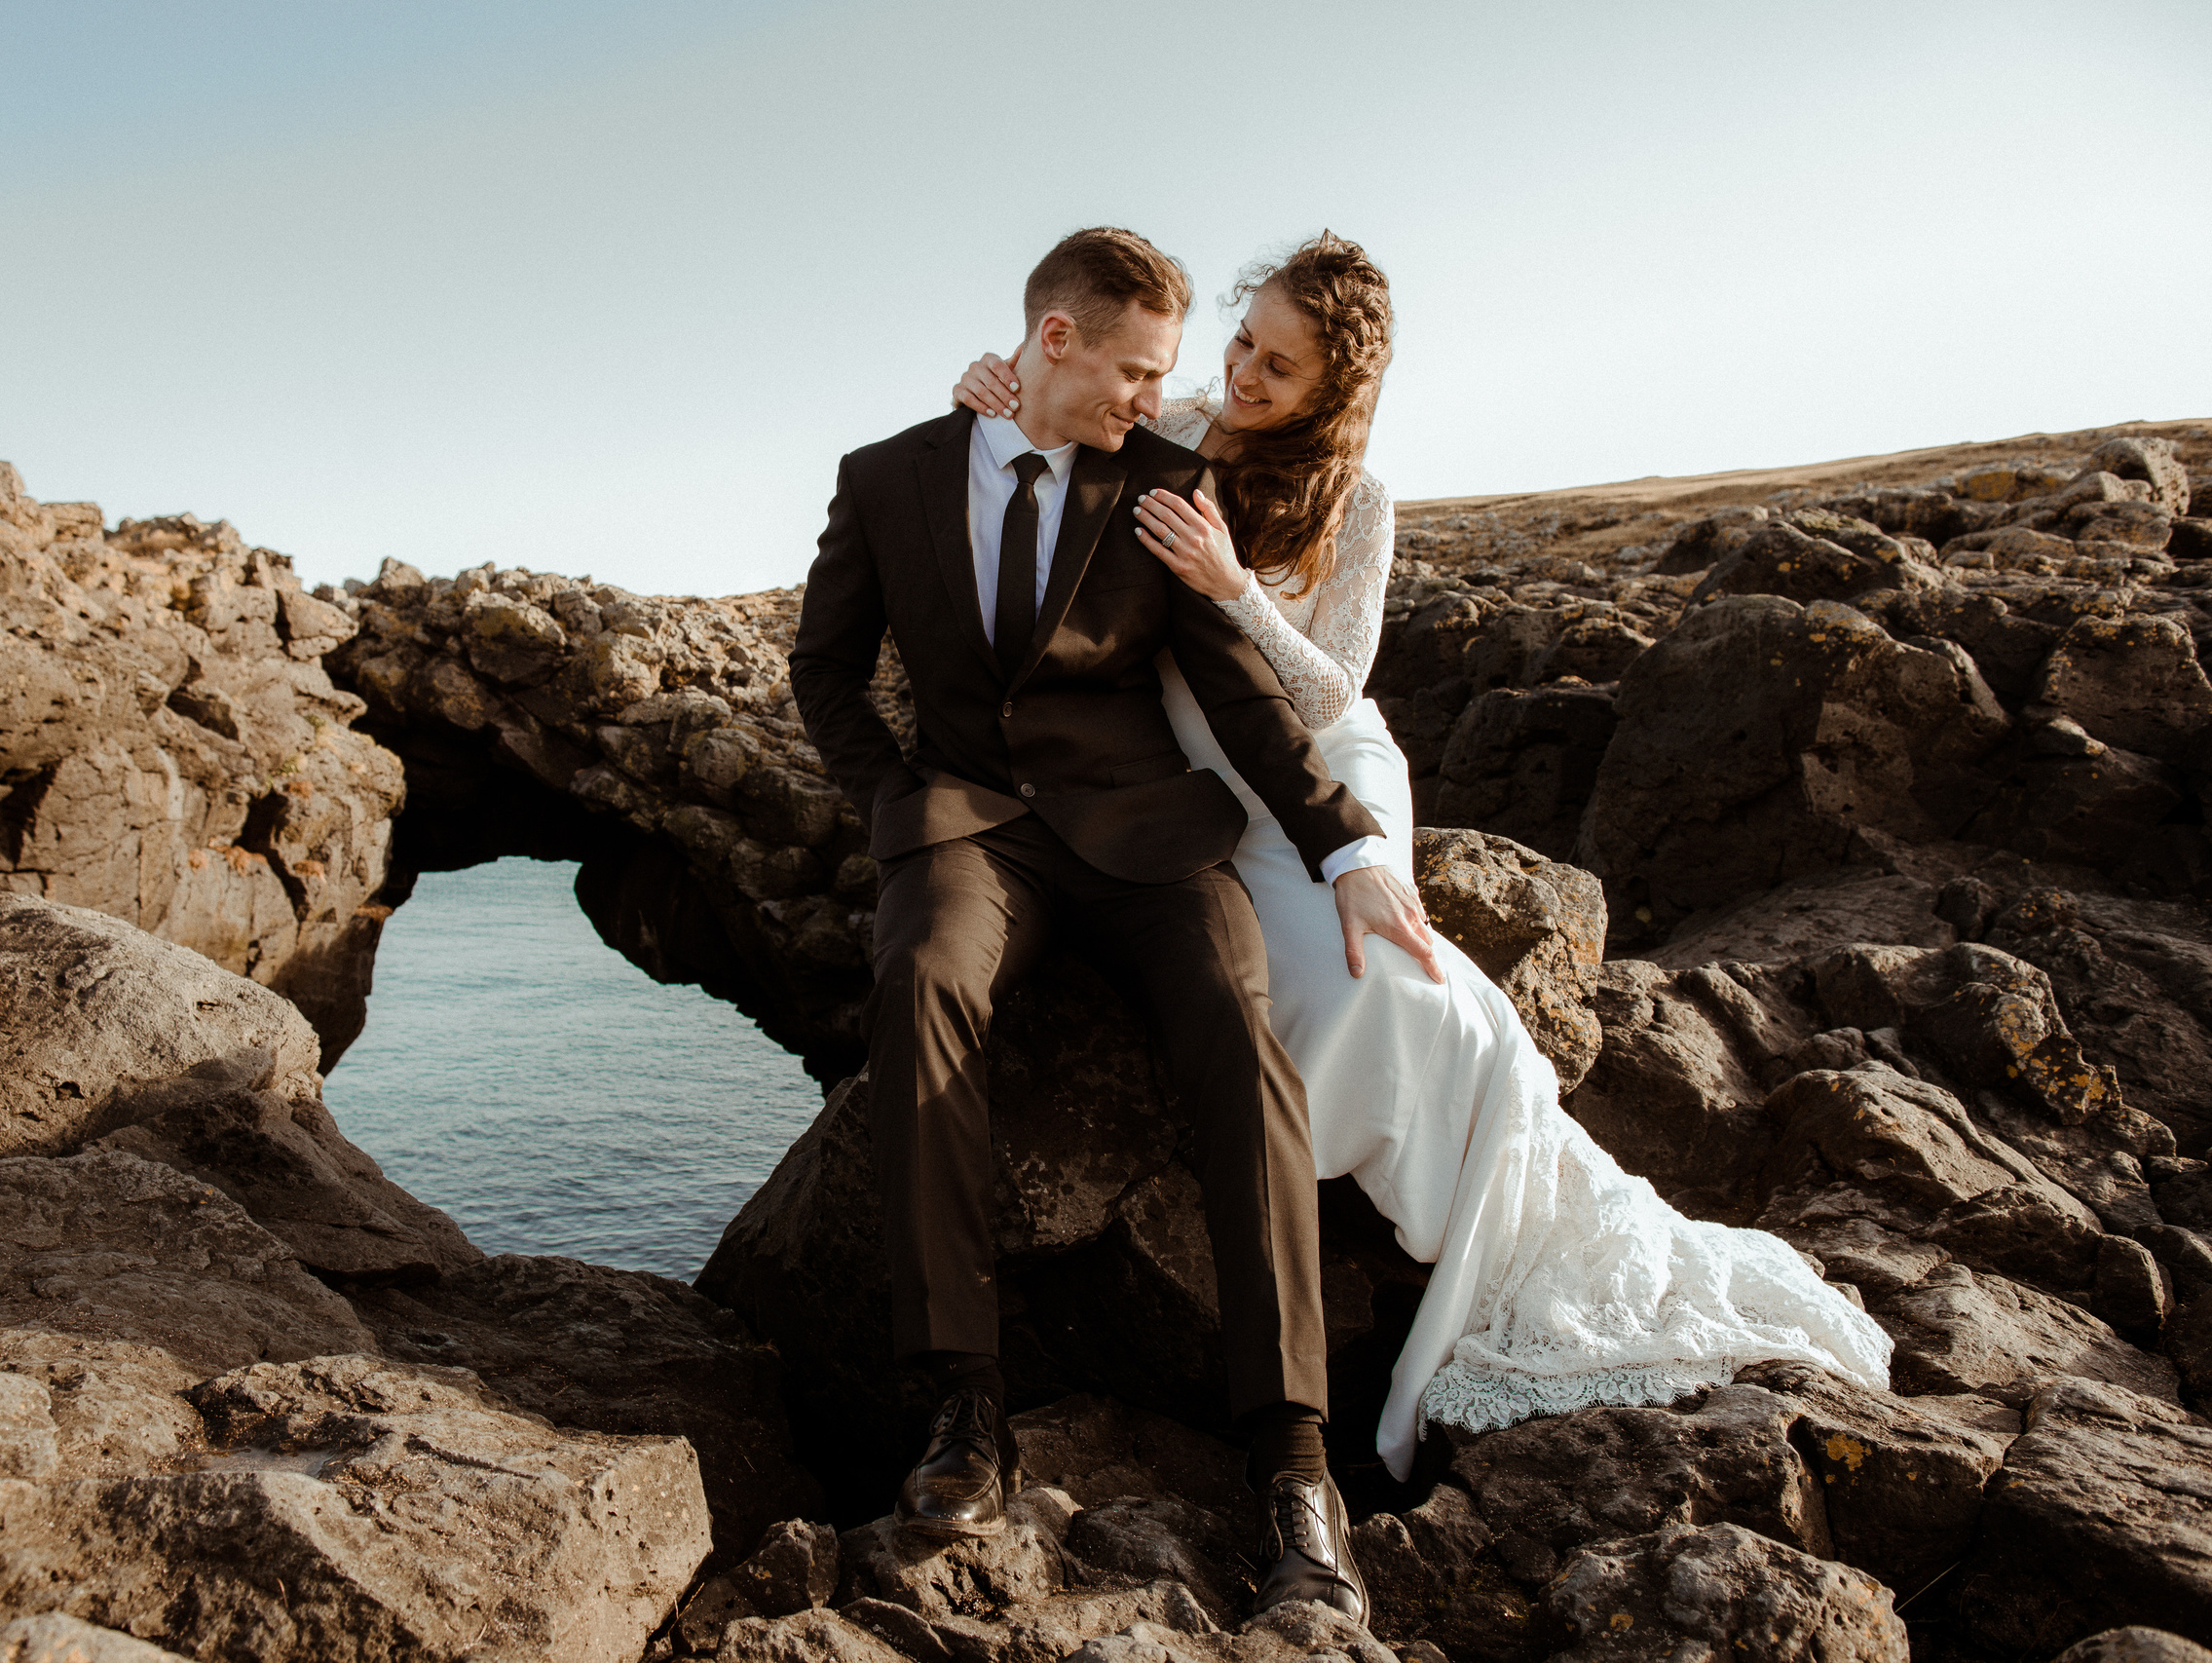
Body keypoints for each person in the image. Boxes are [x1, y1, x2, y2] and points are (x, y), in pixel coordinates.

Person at [952, 232, 1893, 1482]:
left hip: (1325, 762)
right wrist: (988, 385)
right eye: (1241, 342)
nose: (1241, 374)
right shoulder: (1171, 421)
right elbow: (1053, 420)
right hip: (1194, 770)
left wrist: (1237, 589)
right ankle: (1407, 1199)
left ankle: (1482, 1235)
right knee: (1307, 985)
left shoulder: (1361, 501)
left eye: (1278, 367)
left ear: (1335, 388)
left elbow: (1334, 683)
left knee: (1393, 976)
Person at [792, 227, 1433, 1621]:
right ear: (1055, 339)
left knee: (1234, 1017)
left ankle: (1294, 1462)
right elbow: (823, 667)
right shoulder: (888, 476)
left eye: (1171, 370)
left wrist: (1346, 847)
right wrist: (891, 797)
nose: (1163, 394)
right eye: (1137, 367)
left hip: (1147, 832)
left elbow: (1246, 691)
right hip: (968, 826)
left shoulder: (1161, 479)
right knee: (919, 983)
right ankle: (964, 1404)